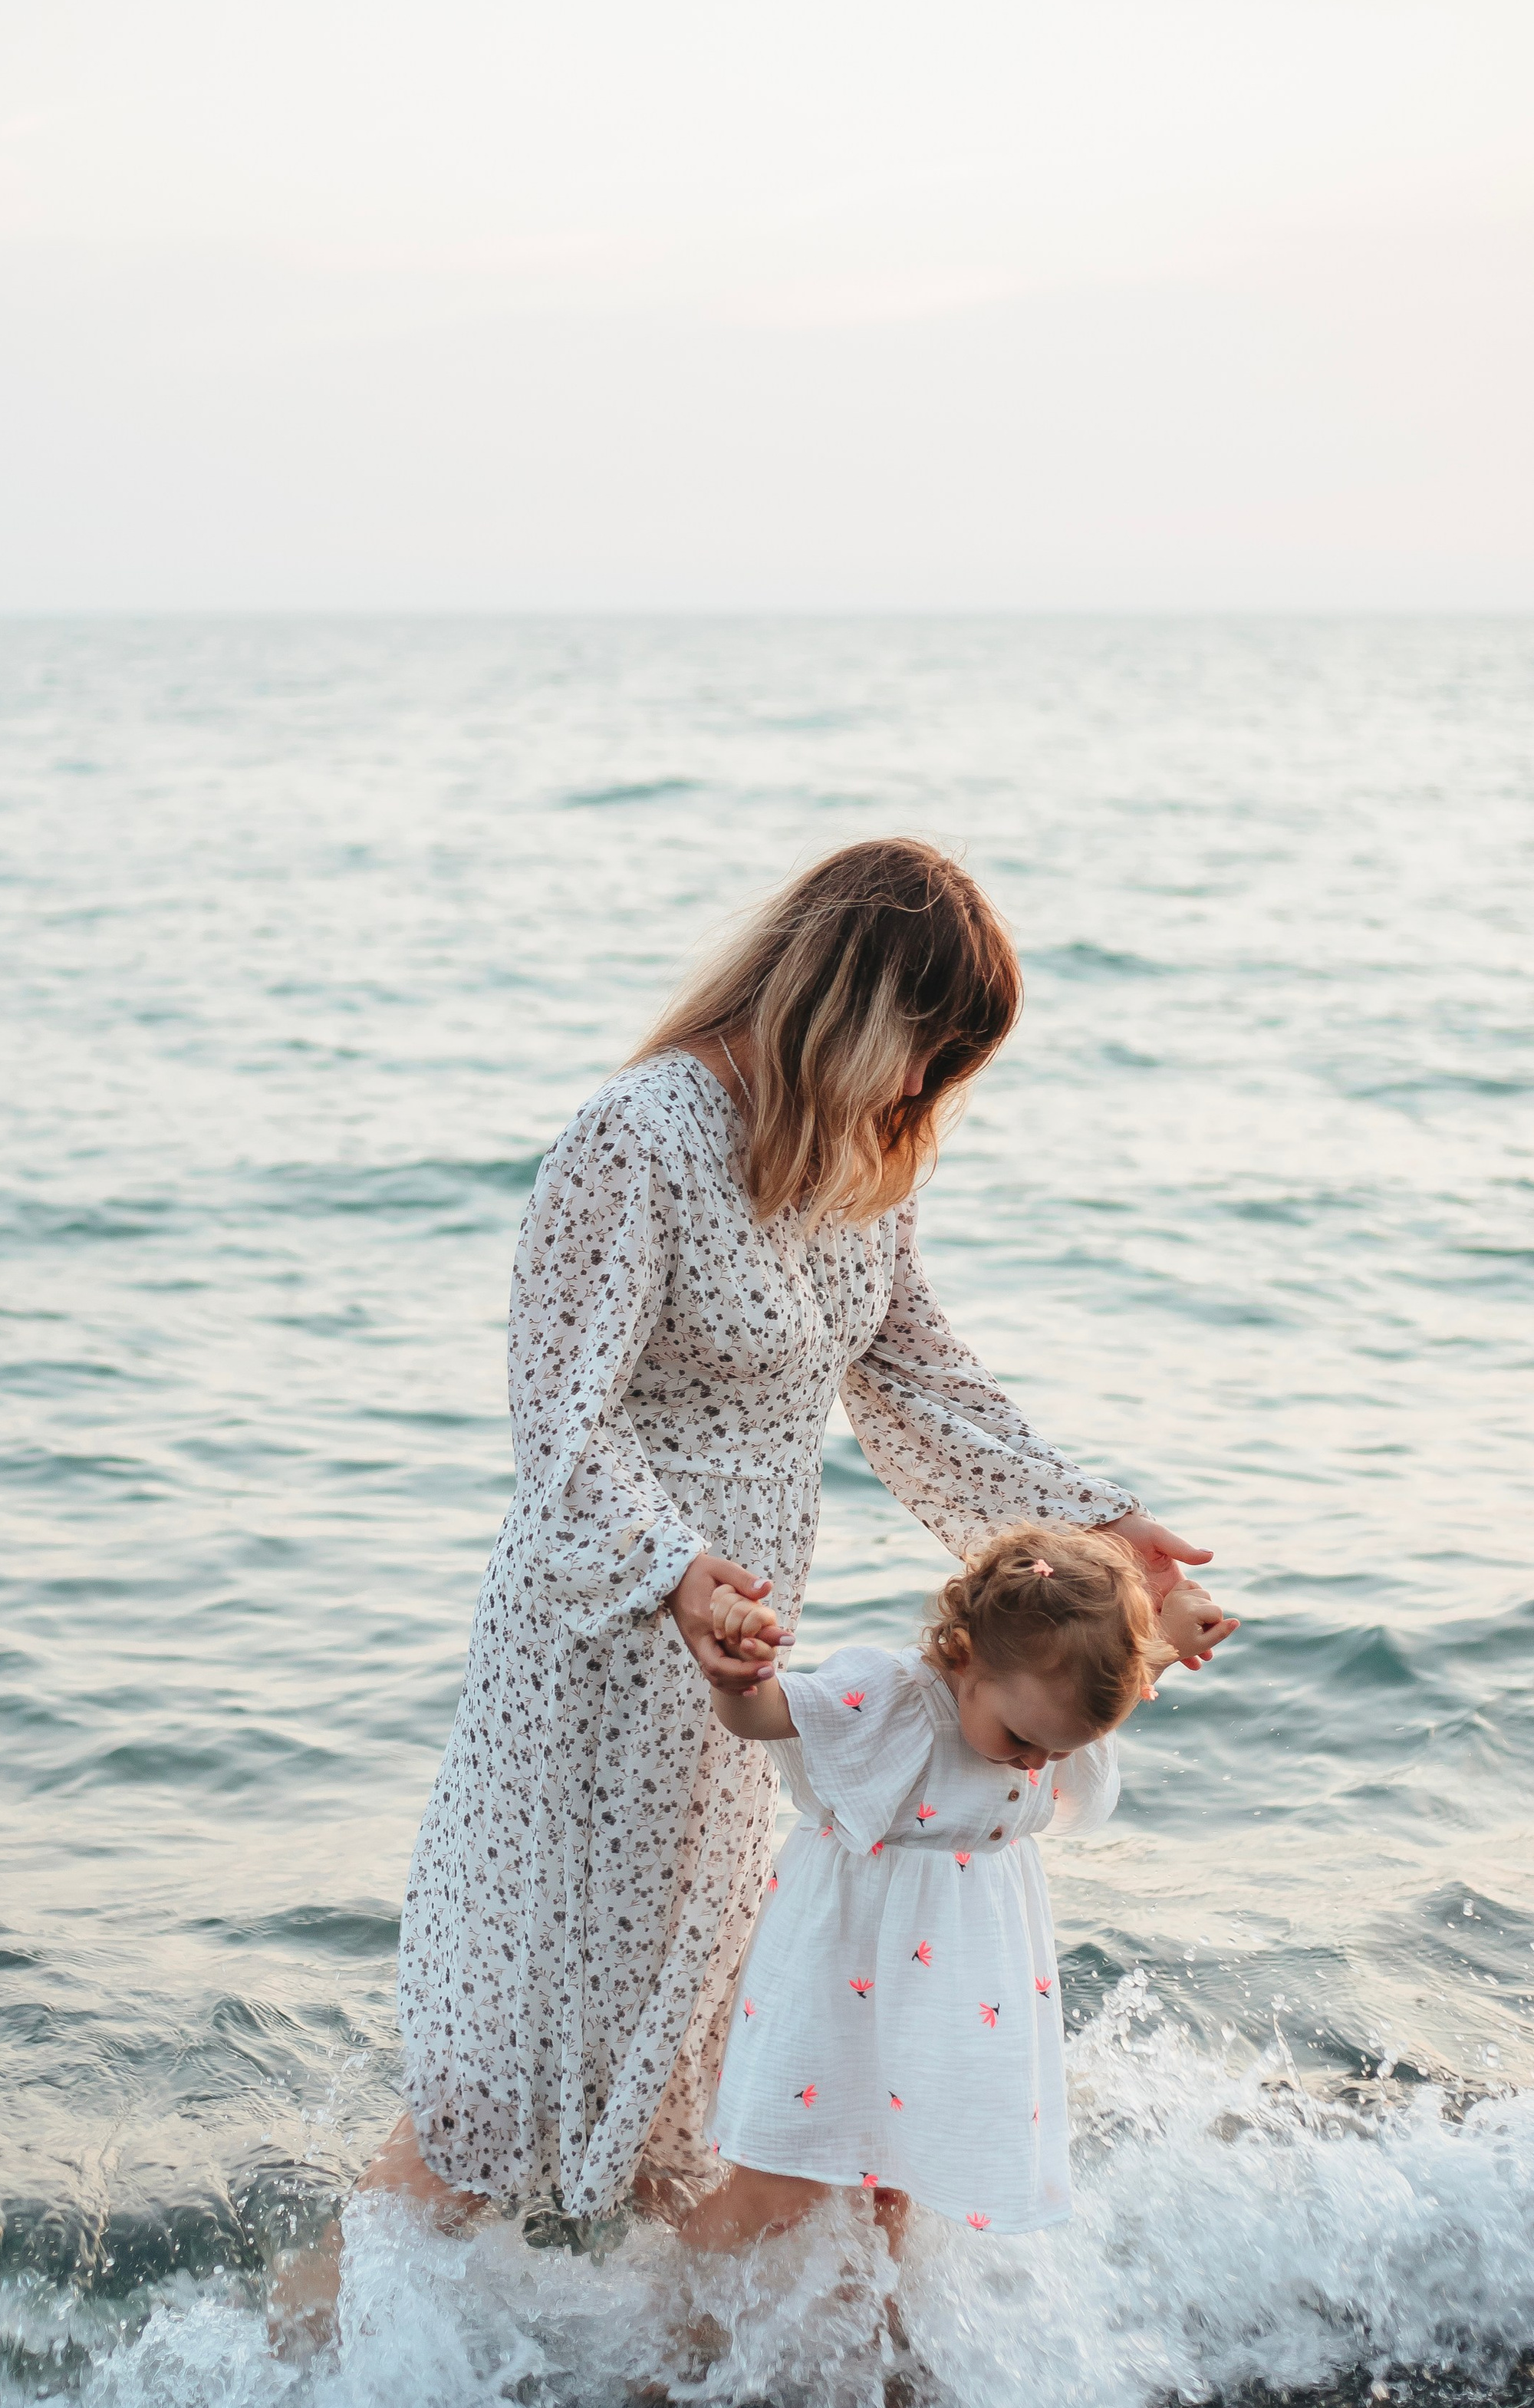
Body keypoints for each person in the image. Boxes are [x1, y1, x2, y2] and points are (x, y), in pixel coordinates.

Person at [272, 840, 1222, 2332]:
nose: (923, 1097)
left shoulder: (858, 1160)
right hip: (599, 1638)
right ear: (845, 1003)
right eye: (923, 1053)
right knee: (513, 2039)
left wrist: (1101, 1523)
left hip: (744, 1661)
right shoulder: (635, 1139)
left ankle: (672, 2377)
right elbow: (558, 1421)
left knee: (706, 2028)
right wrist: (669, 1573)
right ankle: (314, 2378)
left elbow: (913, 1375)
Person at [678, 1523, 1236, 2258]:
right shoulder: (890, 1698)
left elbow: (1093, 1673)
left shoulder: (1052, 1693)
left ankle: (881, 2333)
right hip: (842, 1956)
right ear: (965, 1655)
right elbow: (771, 1716)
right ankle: (674, 2332)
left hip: (955, 1971)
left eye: (1059, 1752)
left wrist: (1162, 1635)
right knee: (782, 2180)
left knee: (898, 2176)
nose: (1035, 1764)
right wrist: (739, 1675)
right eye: (1022, 1740)